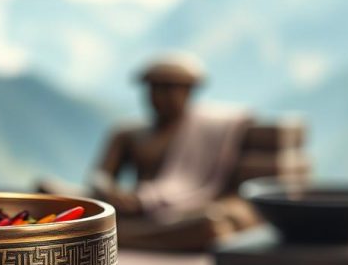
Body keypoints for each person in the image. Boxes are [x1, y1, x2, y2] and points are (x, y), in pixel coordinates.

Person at [42, 53, 260, 251]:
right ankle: (109, 233)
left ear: (189, 92)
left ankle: (106, 235)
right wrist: (110, 191)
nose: (163, 96)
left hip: (179, 213)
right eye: (156, 88)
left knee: (210, 224)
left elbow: (217, 193)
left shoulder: (209, 131)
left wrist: (152, 201)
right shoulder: (128, 133)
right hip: (130, 208)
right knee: (46, 192)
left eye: (173, 88)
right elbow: (100, 176)